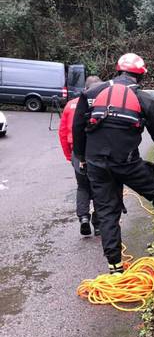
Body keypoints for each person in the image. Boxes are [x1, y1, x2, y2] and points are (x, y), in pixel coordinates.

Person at [72, 53, 154, 274]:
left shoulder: (91, 93)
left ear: (118, 70)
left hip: (96, 164)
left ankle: (114, 266)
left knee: (106, 211)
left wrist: (82, 157)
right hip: (127, 164)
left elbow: (78, 128)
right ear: (140, 76)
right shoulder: (144, 100)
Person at [59, 75, 104, 236]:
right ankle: (98, 224)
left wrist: (69, 156)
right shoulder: (104, 105)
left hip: (77, 154)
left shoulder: (71, 105)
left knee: (83, 186)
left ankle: (83, 218)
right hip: (98, 153)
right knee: (101, 187)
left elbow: (63, 133)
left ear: (85, 88)